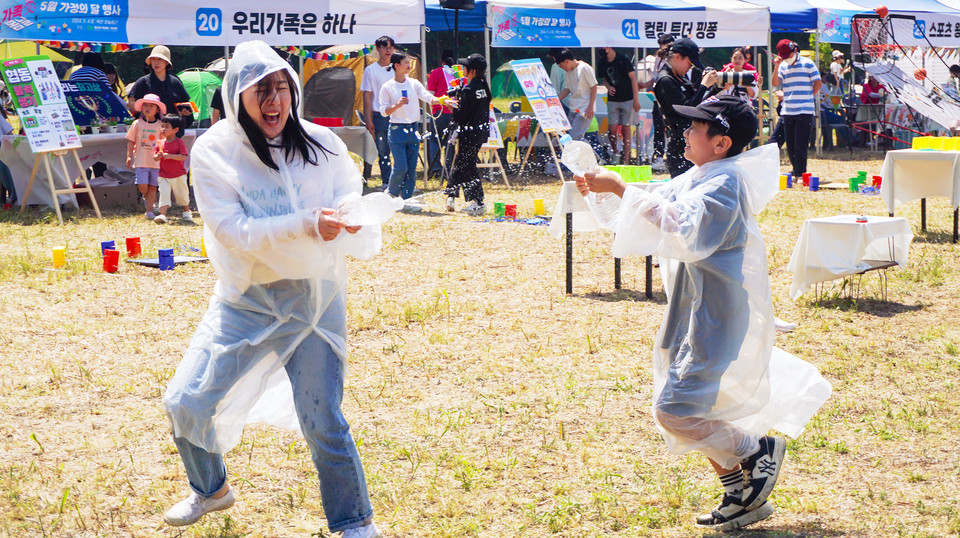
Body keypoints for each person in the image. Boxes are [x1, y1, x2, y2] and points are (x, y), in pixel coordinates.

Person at [576, 95, 830, 532]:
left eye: (695, 127)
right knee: (701, 409)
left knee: (675, 410)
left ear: (721, 142)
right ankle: (740, 496)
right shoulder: (702, 175)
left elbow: (681, 224)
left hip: (716, 312)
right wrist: (608, 190)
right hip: (696, 307)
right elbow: (655, 204)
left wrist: (619, 188)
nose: (686, 132)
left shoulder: (724, 183)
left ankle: (757, 451)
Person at [161, 40, 383, 538]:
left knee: (322, 418)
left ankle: (354, 521)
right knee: (185, 401)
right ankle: (211, 488)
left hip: (314, 300)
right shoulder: (216, 151)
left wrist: (349, 214)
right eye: (260, 90)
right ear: (237, 96)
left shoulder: (320, 143)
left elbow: (348, 189)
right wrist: (304, 223)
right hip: (247, 298)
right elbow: (232, 231)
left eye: (281, 87)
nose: (274, 100)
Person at [378, 51, 449, 204]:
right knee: (401, 167)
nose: (409, 65)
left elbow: (428, 97)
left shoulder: (414, 83)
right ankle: (391, 194)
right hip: (397, 129)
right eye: (406, 62)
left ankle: (407, 198)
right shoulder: (387, 87)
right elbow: (383, 111)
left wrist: (442, 100)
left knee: (411, 168)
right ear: (397, 65)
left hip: (413, 128)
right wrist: (396, 105)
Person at [653, 37, 720, 177]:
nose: (691, 68)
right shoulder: (666, 80)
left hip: (690, 142)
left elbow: (698, 104)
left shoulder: (678, 77)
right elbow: (687, 110)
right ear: (678, 57)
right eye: (690, 63)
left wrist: (715, 90)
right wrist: (703, 86)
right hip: (680, 144)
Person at [444, 54, 490, 216]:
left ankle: (478, 202)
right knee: (462, 162)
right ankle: (451, 195)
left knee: (467, 165)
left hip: (468, 134)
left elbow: (460, 116)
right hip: (480, 132)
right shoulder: (484, 86)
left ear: (473, 71)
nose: (463, 69)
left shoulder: (469, 90)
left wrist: (450, 105)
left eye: (465, 66)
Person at [771, 39, 821, 177]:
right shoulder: (782, 65)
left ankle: (800, 172)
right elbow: (775, 83)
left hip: (805, 109)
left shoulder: (807, 63)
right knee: (791, 143)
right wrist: (776, 66)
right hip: (788, 110)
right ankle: (795, 170)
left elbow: (818, 83)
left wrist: (809, 96)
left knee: (801, 143)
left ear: (795, 51)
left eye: (788, 55)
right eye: (783, 56)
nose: (787, 58)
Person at [361, 36, 396, 188]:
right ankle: (387, 181)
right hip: (380, 114)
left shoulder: (398, 67)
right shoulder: (370, 70)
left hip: (398, 114)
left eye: (391, 47)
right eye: (385, 47)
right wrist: (368, 119)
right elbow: (367, 95)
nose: (388, 50)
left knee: (400, 149)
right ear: (378, 49)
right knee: (383, 151)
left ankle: (401, 181)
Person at [130, 46, 194, 129]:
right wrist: (145, 109)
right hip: (148, 128)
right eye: (153, 59)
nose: (156, 62)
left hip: (171, 129)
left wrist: (186, 111)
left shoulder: (175, 82)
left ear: (167, 62)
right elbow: (130, 101)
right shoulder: (143, 81)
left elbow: (186, 103)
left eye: (160, 59)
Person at [597, 47, 641, 165]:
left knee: (626, 128)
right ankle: (616, 151)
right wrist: (608, 87)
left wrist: (636, 99)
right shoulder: (602, 61)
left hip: (628, 98)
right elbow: (604, 79)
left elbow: (633, 79)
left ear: (609, 48)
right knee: (612, 129)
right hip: (613, 99)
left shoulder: (623, 59)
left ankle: (626, 159)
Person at [125, 93, 164, 220]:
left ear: (157, 110)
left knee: (153, 186)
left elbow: (164, 142)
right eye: (145, 105)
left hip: (156, 162)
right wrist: (129, 156)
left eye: (151, 106)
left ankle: (149, 210)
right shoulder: (137, 123)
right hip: (141, 160)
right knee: (142, 186)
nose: (148, 108)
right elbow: (131, 141)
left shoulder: (160, 124)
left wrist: (162, 154)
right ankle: (147, 198)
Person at [152, 114, 193, 224]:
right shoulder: (160, 143)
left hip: (178, 174)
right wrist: (158, 156)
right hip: (163, 175)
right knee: (164, 194)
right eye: (162, 126)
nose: (163, 129)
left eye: (166, 126)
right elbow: (155, 157)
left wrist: (170, 156)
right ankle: (162, 214)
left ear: (175, 130)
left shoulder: (179, 142)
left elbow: (183, 156)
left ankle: (186, 212)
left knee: (182, 195)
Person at [642, 34, 675, 170]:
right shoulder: (658, 59)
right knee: (659, 127)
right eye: (662, 47)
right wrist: (643, 85)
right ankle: (659, 157)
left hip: (672, 98)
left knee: (674, 127)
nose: (664, 50)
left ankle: (673, 155)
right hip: (658, 98)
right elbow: (656, 79)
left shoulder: (676, 58)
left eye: (666, 47)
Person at [426, 49, 456, 178]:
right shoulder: (457, 73)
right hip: (454, 111)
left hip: (439, 111)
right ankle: (449, 168)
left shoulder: (436, 72)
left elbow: (430, 94)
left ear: (441, 60)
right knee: (451, 140)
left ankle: (436, 168)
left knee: (434, 139)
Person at [555, 49, 598, 141]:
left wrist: (590, 107)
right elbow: (567, 89)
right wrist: (555, 100)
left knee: (576, 137)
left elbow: (594, 86)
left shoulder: (585, 68)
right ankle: (588, 150)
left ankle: (590, 151)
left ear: (567, 61)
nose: (563, 69)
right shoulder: (568, 72)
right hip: (573, 108)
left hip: (584, 109)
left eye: (562, 66)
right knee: (571, 137)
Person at [548, 48, 570, 113]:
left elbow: (555, 88)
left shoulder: (556, 66)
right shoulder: (573, 64)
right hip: (576, 103)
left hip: (564, 102)